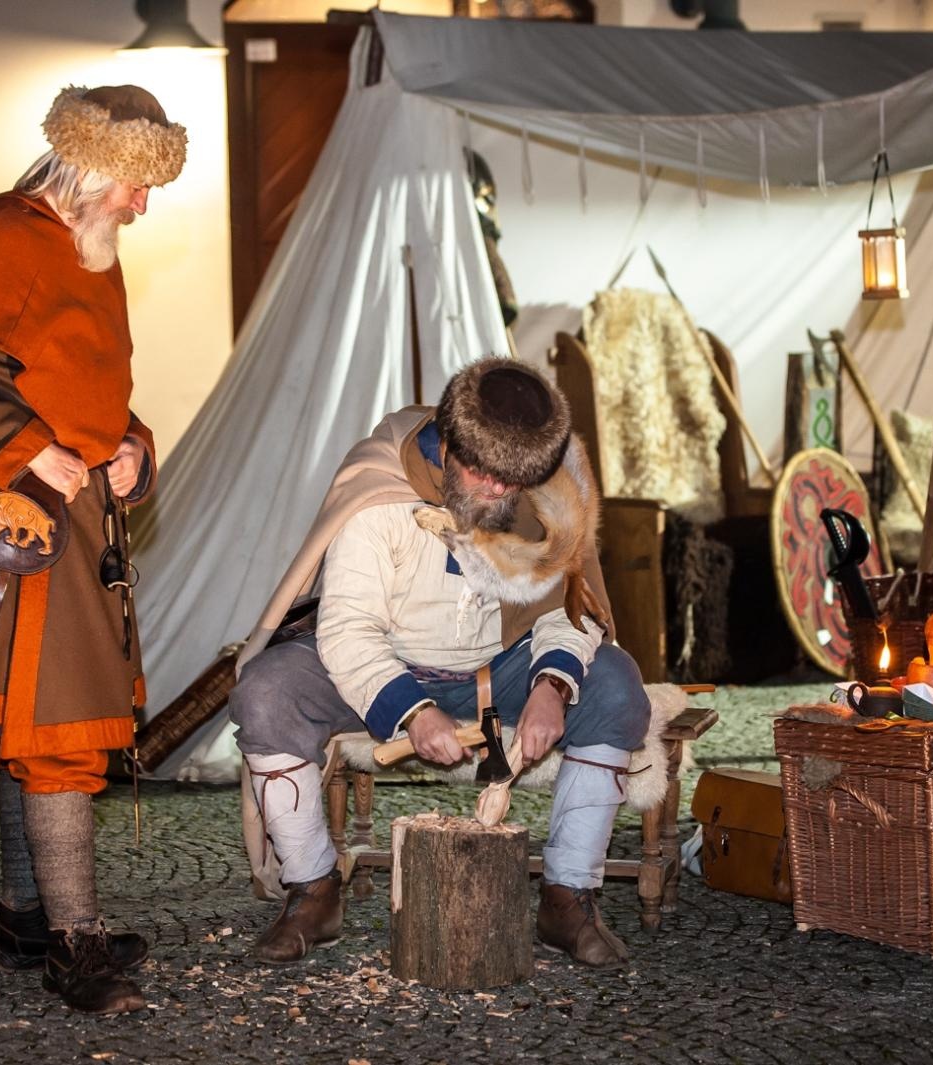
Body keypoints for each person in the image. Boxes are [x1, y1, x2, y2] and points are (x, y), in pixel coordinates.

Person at [0, 85, 186, 1014]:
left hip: (79, 524)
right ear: (90, 165)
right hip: (21, 528)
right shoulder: (0, 239)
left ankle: (25, 917)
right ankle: (76, 947)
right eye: (134, 186)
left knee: (42, 724)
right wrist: (35, 454)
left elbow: (88, 389)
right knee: (57, 731)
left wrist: (135, 446)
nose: (142, 207)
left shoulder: (89, 254)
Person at [229, 357, 652, 968]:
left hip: (500, 666)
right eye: (485, 478)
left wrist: (553, 685)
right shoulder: (379, 490)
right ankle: (314, 893)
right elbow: (347, 629)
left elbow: (570, 604)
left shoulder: (548, 491)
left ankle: (567, 897)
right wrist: (412, 712)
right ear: (449, 444)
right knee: (266, 693)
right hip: (382, 667)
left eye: (515, 483)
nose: (500, 495)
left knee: (615, 686)